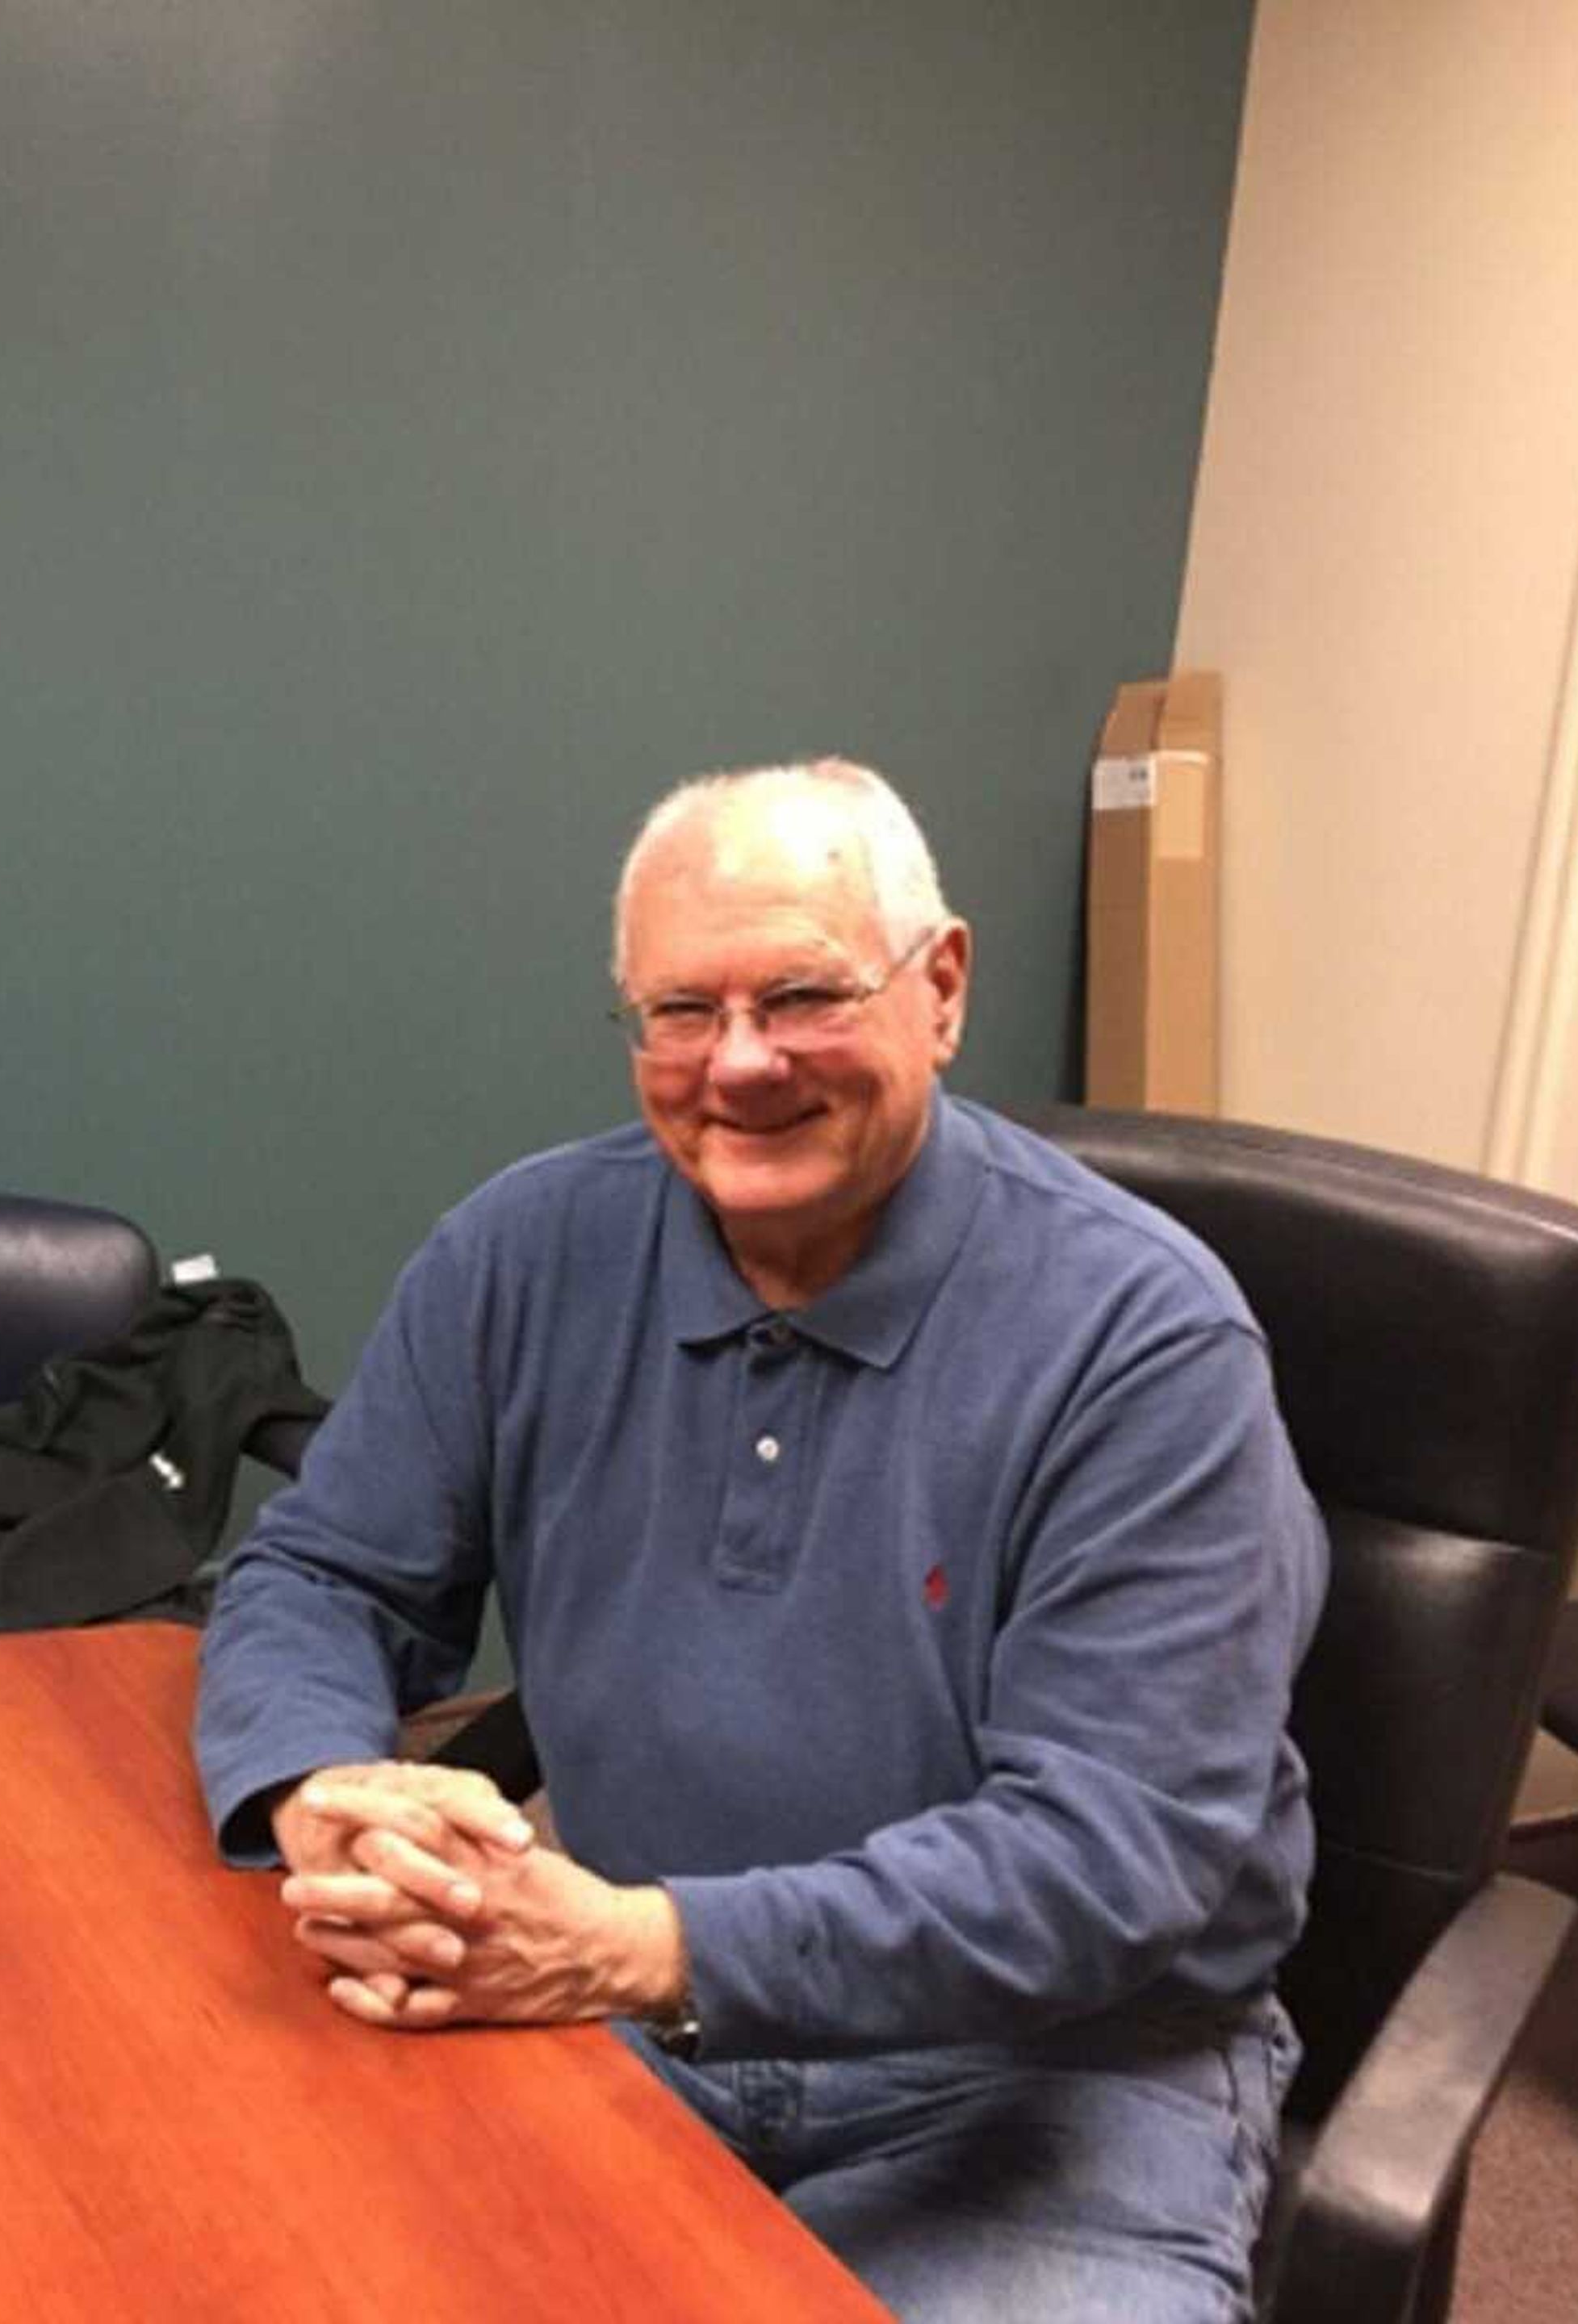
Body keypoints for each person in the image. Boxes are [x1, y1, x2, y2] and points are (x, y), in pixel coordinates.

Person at [194, 759, 1325, 2322]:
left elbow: (1102, 1859)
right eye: (680, 1012)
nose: (738, 1066)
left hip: (1041, 2077)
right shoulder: (526, 1253)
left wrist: (644, 1948)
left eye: (802, 995)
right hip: (625, 2012)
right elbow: (325, 1572)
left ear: (941, 988)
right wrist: (324, 1783)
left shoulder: (1144, 1342)